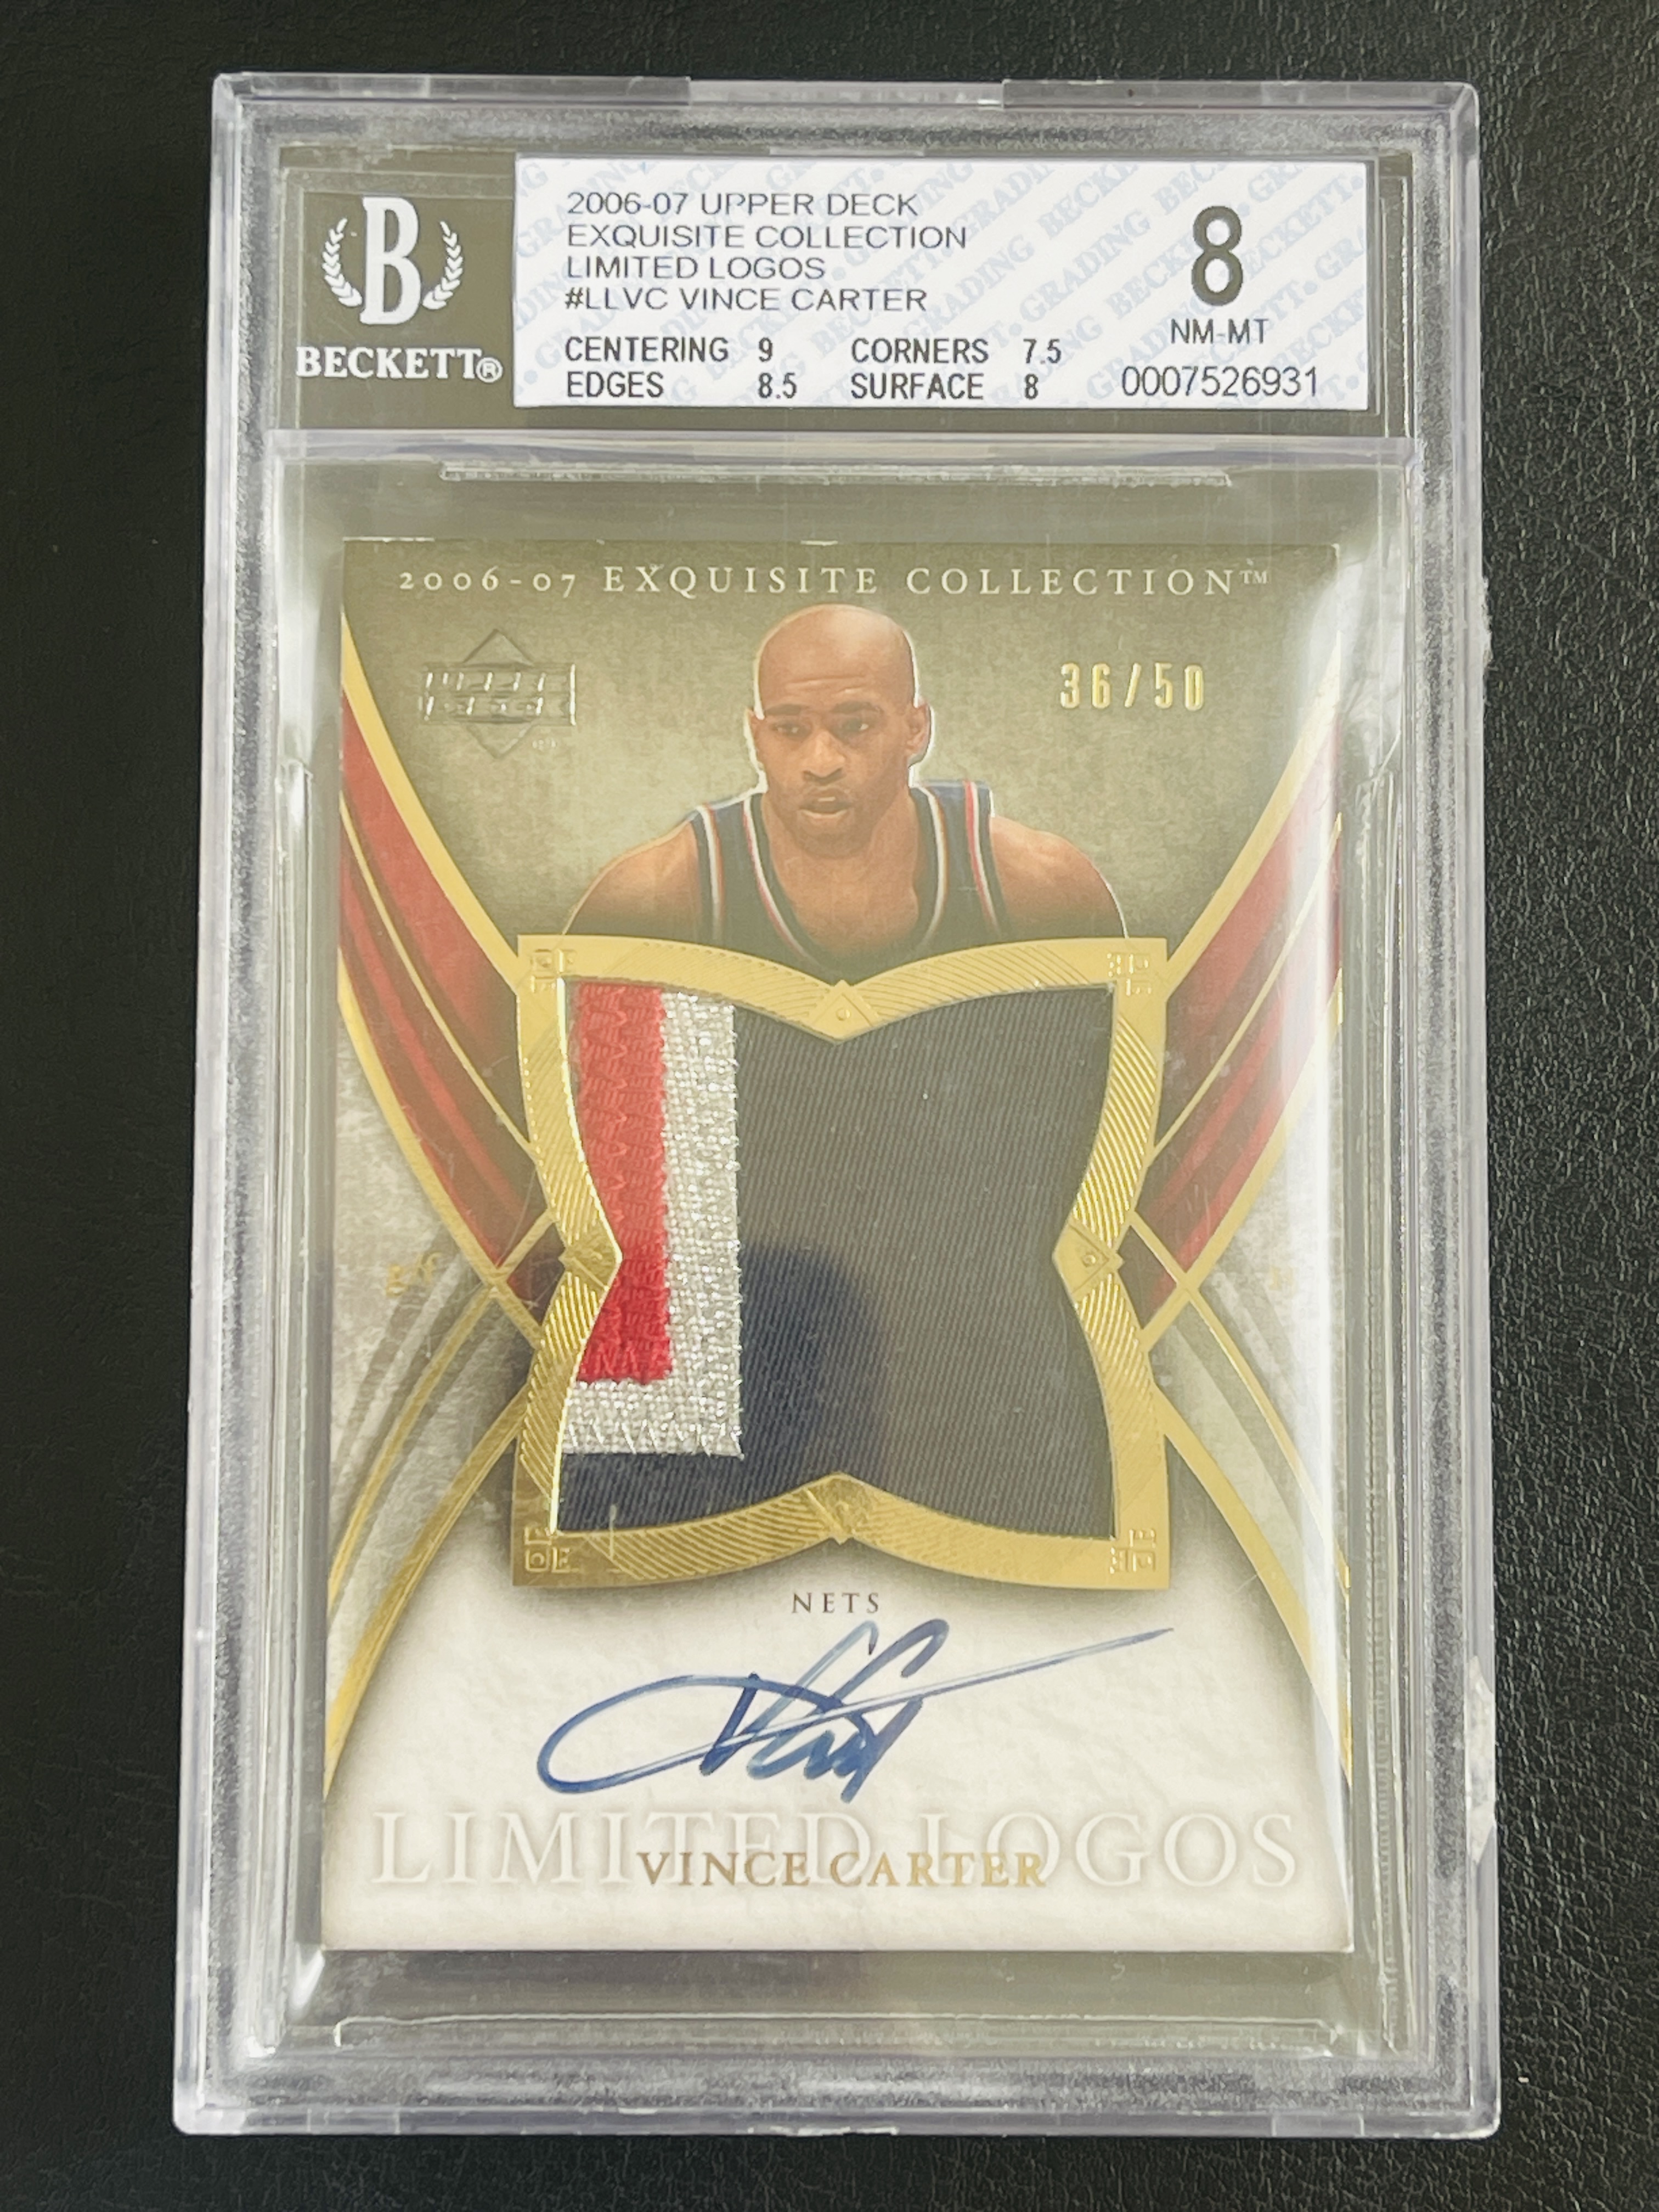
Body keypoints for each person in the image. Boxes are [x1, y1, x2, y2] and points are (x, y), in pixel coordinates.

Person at [568, 602, 1123, 980]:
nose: (822, 762)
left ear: (916, 729)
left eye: (855, 726)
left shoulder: (1038, 887)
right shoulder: (656, 897)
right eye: (790, 729)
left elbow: (1130, 1080)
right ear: (757, 737)